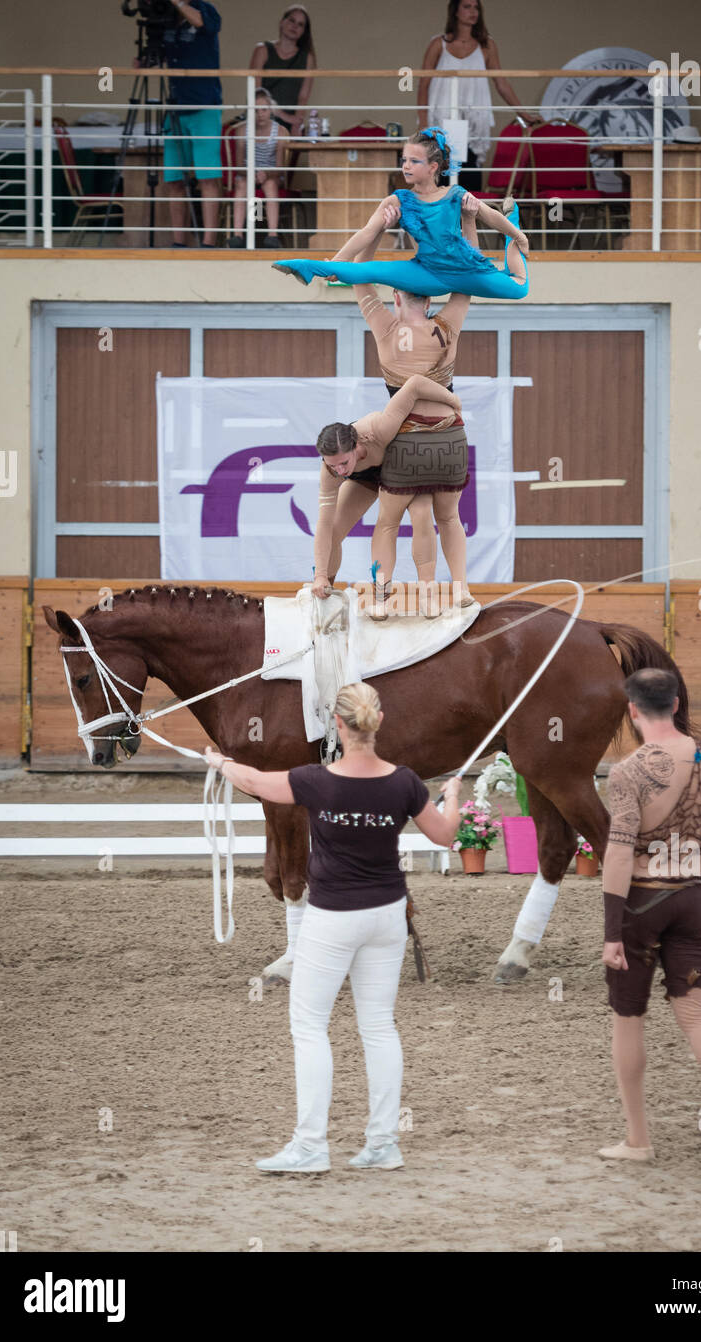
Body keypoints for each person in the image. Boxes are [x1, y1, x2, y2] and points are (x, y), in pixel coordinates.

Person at [204, 682, 462, 1173]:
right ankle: (383, 1143)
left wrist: (220, 763)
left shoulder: (314, 781)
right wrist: (451, 797)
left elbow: (257, 782)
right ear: (378, 721)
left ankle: (310, 1146)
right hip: (387, 916)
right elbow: (447, 835)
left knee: (309, 1025)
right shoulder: (405, 782)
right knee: (379, 1026)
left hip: (333, 917)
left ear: (337, 726)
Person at [600, 668, 701, 1172]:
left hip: (642, 902)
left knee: (629, 1020)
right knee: (696, 1016)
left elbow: (619, 855)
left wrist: (611, 931)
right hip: (692, 897)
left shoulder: (627, 772)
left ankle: (638, 1139)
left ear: (632, 710)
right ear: (674, 704)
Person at [310, 194, 481, 614]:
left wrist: (376, 230)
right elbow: (471, 277)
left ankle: (388, 593)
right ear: (428, 300)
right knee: (438, 517)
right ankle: (449, 589)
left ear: (399, 300)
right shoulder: (447, 326)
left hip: (405, 440)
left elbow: (358, 276)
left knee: (397, 520)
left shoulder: (385, 327)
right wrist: (469, 221)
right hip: (440, 438)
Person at [273, 128, 529, 299]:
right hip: (427, 272)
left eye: (413, 161)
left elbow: (490, 216)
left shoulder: (454, 194)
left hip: (465, 271)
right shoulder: (399, 199)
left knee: (519, 288)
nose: (406, 165)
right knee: (368, 271)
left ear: (433, 167)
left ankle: (513, 219)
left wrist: (518, 235)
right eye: (404, 159)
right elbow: (367, 232)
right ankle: (306, 266)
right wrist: (338, 262)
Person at [314, 372, 473, 616]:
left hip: (402, 470)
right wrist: (320, 575)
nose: (339, 471)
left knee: (421, 515)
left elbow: (416, 384)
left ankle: (427, 595)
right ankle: (327, 592)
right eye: (332, 465)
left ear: (357, 445)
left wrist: (454, 401)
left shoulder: (379, 427)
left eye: (343, 463)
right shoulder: (331, 471)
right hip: (367, 478)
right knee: (334, 530)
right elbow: (324, 525)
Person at [417, 0, 541, 192]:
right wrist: (423, 123)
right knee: (441, 175)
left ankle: (466, 222)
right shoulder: (438, 44)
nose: (473, 11)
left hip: (473, 121)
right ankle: (443, 223)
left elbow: (501, 83)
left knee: (469, 177)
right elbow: (424, 84)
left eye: (476, 7)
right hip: (442, 117)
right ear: (456, 12)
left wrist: (524, 114)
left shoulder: (487, 45)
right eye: (467, 7)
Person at [147, 0, 222, 248]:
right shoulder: (165, 18)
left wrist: (177, 1)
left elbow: (208, 25)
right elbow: (157, 55)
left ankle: (209, 242)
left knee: (207, 178)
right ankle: (179, 241)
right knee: (175, 178)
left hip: (205, 106)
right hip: (175, 108)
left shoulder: (206, 9)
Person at [228, 89, 289, 248]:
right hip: (246, 174)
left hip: (271, 174)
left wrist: (266, 174)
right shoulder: (242, 131)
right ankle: (237, 235)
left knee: (270, 185)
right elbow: (239, 165)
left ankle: (272, 236)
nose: (260, 114)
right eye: (255, 110)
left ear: (271, 111)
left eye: (264, 109)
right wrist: (251, 173)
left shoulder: (280, 131)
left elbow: (280, 167)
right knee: (241, 185)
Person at [249, 5, 316, 134]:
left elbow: (303, 97)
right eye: (291, 20)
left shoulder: (307, 58)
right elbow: (256, 91)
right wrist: (282, 115)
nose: (295, 26)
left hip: (290, 121)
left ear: (304, 31)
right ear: (282, 22)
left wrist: (297, 123)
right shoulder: (262, 50)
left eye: (300, 24)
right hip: (261, 116)